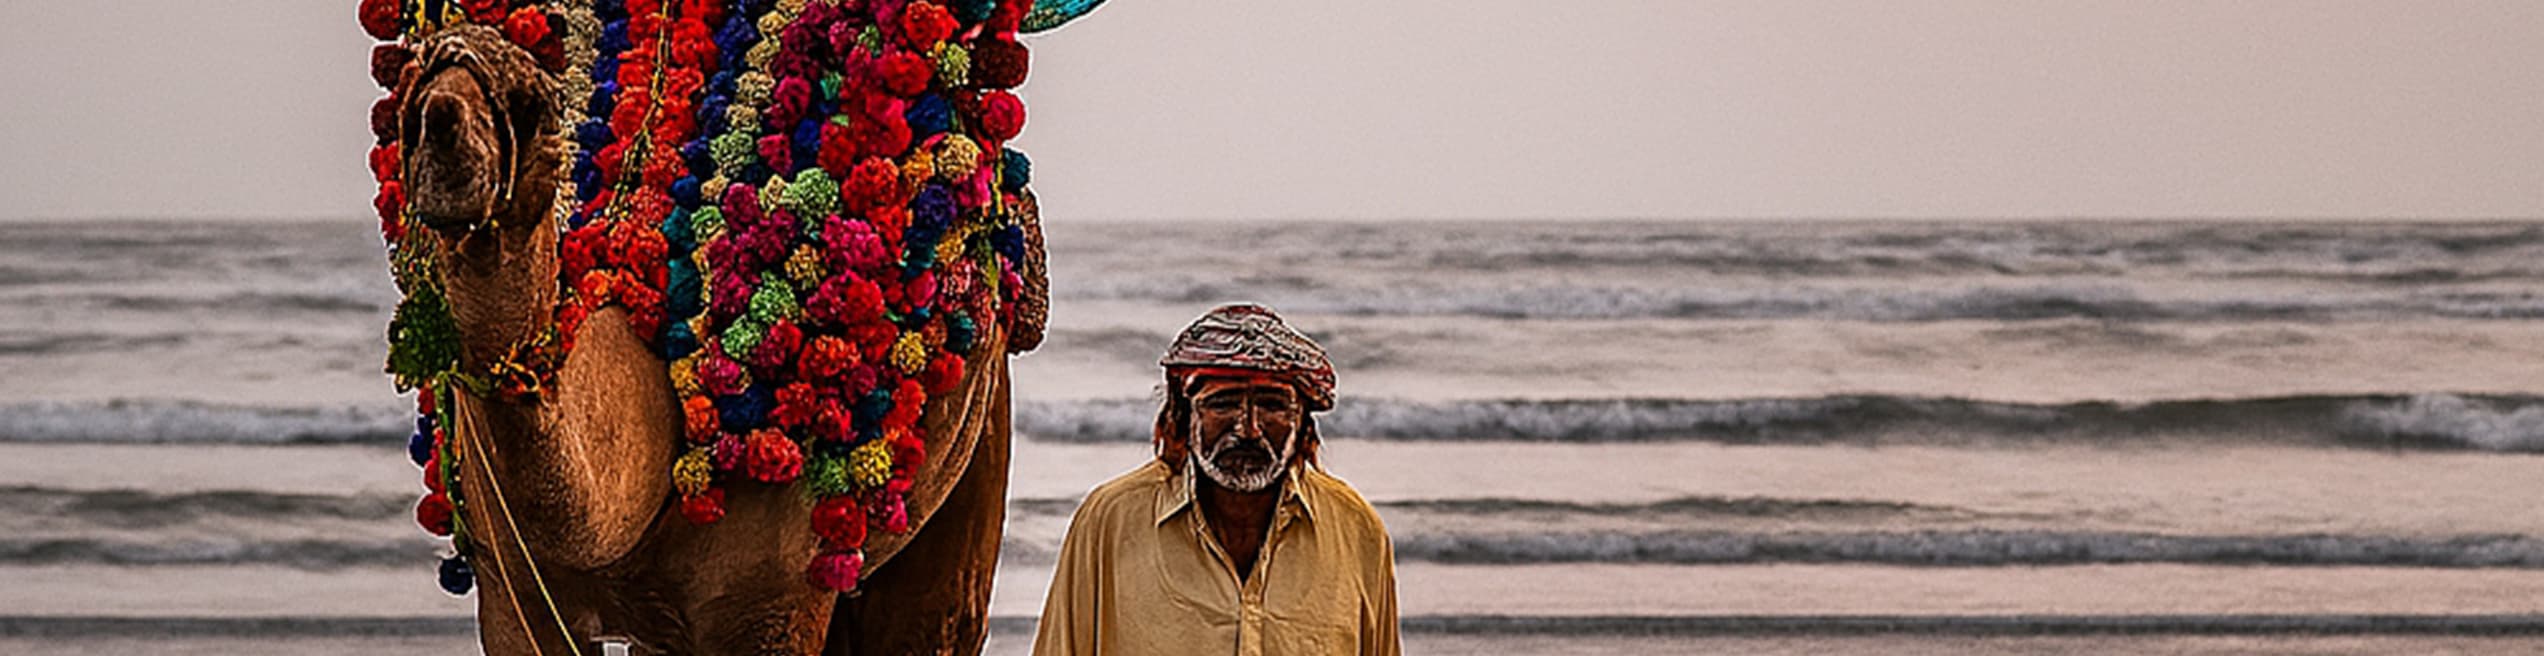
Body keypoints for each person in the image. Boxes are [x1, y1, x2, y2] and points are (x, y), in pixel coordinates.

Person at [1033, 304, 1400, 656]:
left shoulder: (1355, 528)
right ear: (1182, 415)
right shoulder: (1111, 520)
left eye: (1273, 405)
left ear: (1303, 422)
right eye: (1223, 403)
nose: (1249, 430)